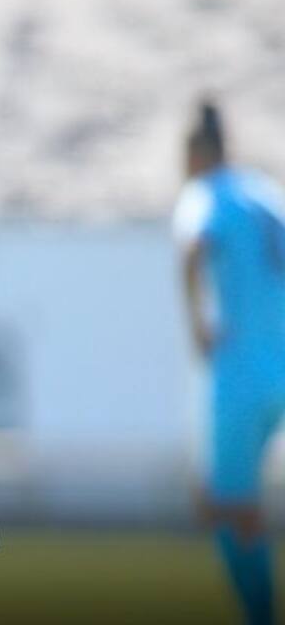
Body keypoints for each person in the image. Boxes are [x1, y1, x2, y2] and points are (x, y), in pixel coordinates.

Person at [174, 101, 285, 625]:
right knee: (240, 502)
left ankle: (260, 613)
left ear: (196, 154)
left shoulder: (205, 194)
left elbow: (195, 246)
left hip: (239, 370)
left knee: (222, 501)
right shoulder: (265, 194)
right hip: (279, 362)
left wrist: (197, 321)